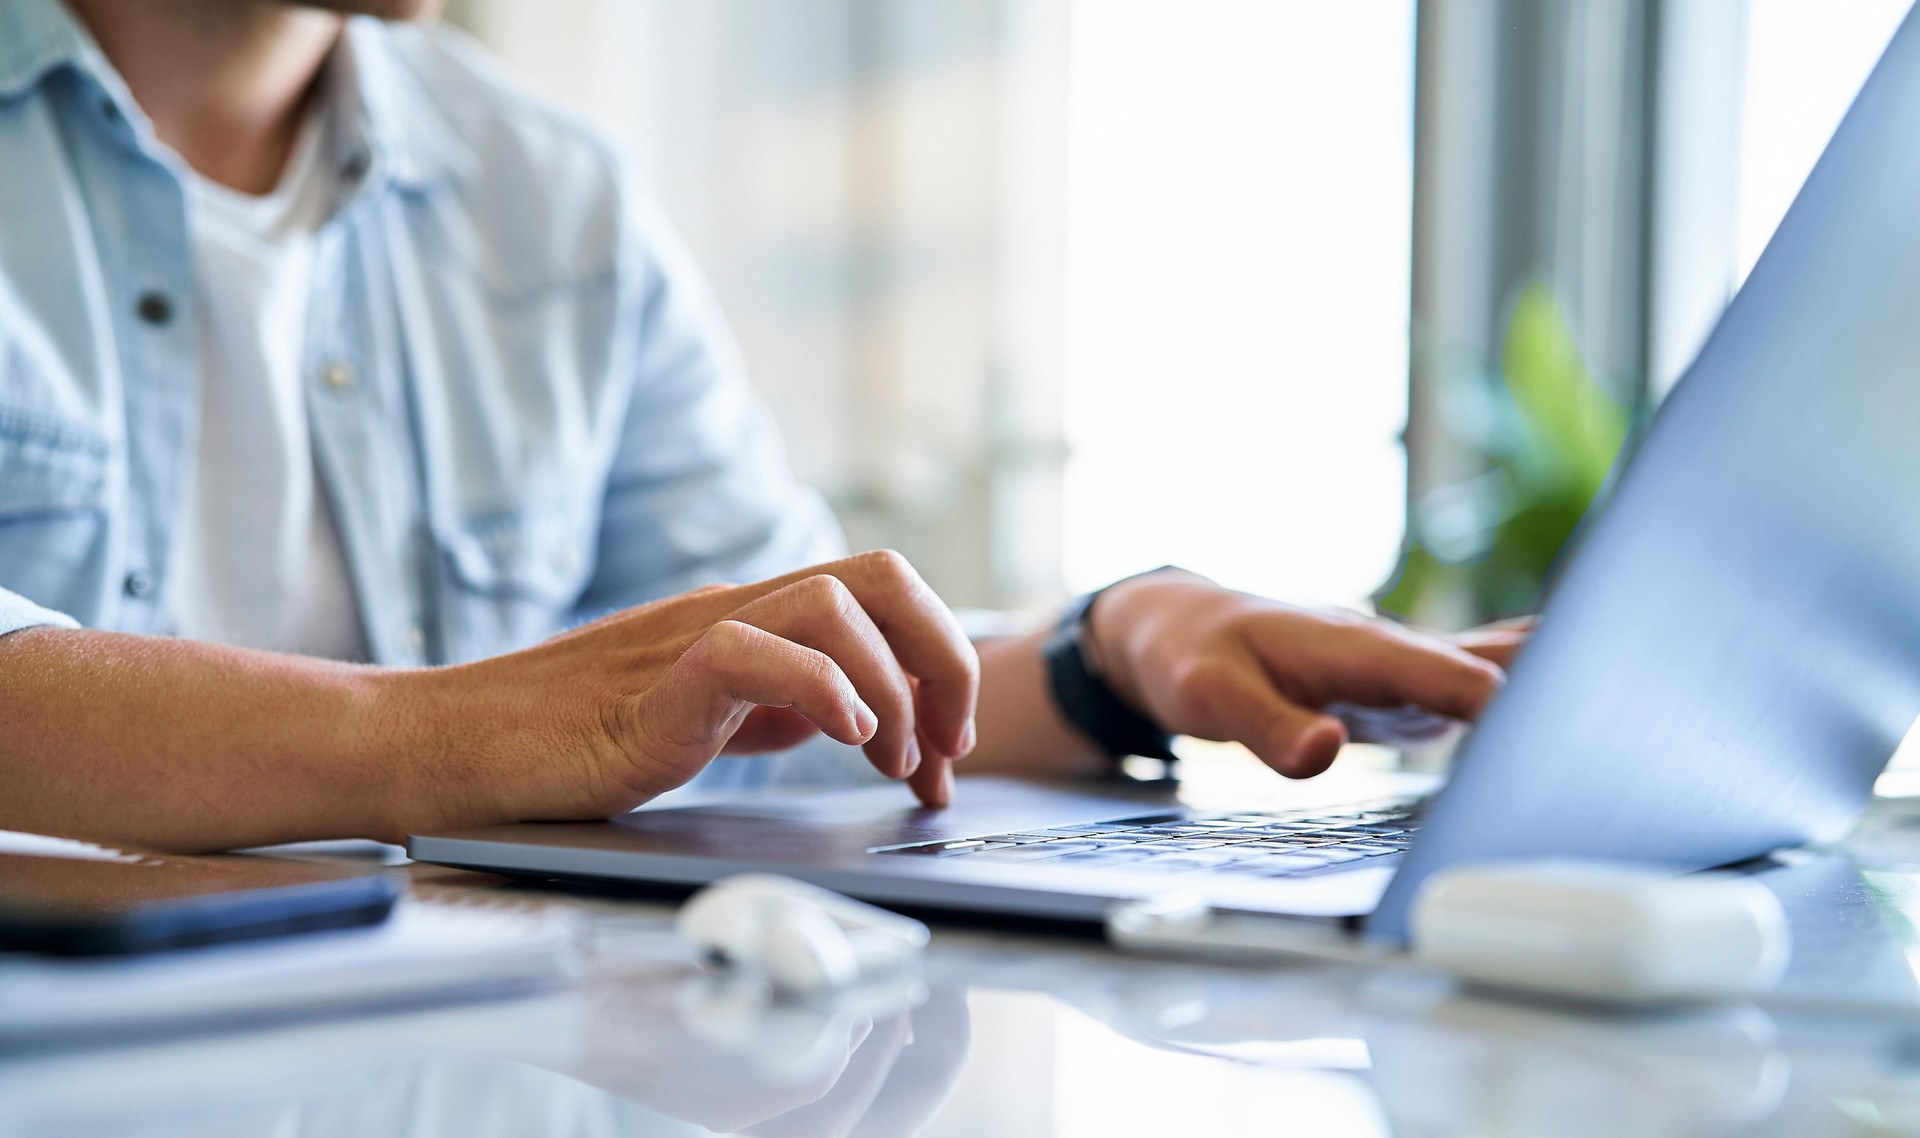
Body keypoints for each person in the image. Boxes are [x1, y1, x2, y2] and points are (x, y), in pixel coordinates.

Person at [0, 0, 1523, 852]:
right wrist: (462, 733)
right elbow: (565, 718)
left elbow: (763, 702)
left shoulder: (549, 192)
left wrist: (1112, 656)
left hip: (426, 1103)